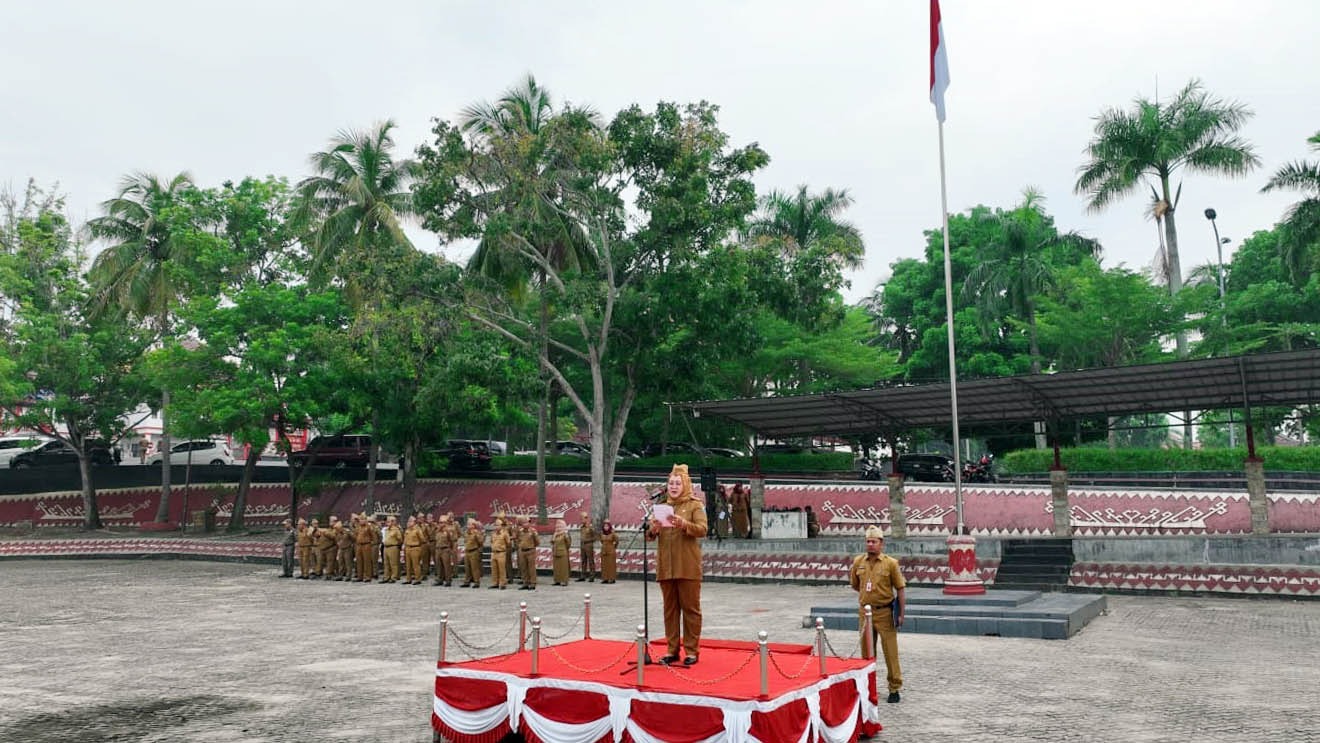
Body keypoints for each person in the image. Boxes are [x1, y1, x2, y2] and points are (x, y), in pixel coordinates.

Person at [648, 463, 708, 666]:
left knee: (691, 610)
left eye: (677, 483)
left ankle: (691, 651)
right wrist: (653, 529)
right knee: (670, 610)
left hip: (688, 566)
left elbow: (702, 529)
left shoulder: (694, 505)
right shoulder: (662, 505)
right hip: (666, 566)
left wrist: (684, 524)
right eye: (671, 483)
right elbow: (649, 535)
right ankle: (671, 650)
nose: (673, 486)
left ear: (686, 484)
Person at [850, 525, 906, 703]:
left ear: (881, 543)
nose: (870, 544)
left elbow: (900, 589)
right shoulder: (858, 561)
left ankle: (894, 688)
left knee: (890, 652)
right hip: (865, 612)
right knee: (867, 652)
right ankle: (868, 686)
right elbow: (854, 584)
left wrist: (901, 614)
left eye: (874, 541)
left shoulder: (891, 563)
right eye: (868, 541)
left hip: (885, 612)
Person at [516, 515, 539, 590]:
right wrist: (520, 546)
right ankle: (525, 583)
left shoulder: (533, 531)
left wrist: (532, 547)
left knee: (531, 568)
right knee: (524, 568)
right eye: (523, 523)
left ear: (529, 523)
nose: (525, 524)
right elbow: (518, 539)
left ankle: (533, 583)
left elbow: (537, 542)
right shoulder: (520, 531)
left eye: (526, 522)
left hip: (530, 551)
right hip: (522, 551)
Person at [489, 515, 511, 589]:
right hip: (494, 553)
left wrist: (503, 549)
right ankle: (495, 583)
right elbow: (491, 542)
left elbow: (508, 543)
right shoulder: (493, 533)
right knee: (494, 569)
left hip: (501, 552)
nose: (496, 527)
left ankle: (502, 583)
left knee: (502, 569)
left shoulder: (505, 533)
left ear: (501, 526)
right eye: (495, 525)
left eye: (498, 525)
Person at [403, 516, 426, 585]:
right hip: (408, 548)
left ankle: (417, 578)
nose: (409, 522)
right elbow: (405, 539)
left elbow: (422, 539)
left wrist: (417, 544)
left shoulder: (417, 530)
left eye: (411, 521)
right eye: (408, 521)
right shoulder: (407, 530)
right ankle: (408, 579)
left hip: (415, 548)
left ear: (414, 522)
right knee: (408, 565)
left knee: (416, 564)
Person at [462, 519, 484, 588]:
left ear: (473, 525)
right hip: (467, 551)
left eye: (469, 524)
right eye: (467, 524)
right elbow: (465, 541)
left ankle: (476, 582)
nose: (468, 526)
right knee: (467, 568)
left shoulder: (476, 532)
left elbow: (480, 542)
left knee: (475, 568)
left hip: (474, 551)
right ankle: (467, 581)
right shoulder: (466, 532)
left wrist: (476, 534)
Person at [380, 516, 403, 583]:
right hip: (385, 547)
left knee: (393, 563)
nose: (387, 523)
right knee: (386, 563)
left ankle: (394, 577)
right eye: (387, 521)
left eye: (389, 521)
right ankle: (386, 577)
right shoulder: (386, 529)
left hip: (393, 547)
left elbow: (400, 539)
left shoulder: (396, 530)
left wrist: (396, 544)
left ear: (392, 522)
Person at [433, 514, 454, 586]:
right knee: (439, 566)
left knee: (446, 566)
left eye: (442, 522)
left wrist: (450, 549)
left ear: (446, 523)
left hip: (445, 549)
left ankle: (448, 580)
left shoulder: (449, 530)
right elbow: (435, 539)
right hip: (438, 549)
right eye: (440, 522)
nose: (441, 524)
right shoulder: (437, 531)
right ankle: (440, 579)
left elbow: (451, 541)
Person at [354, 513, 376, 582]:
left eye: (363, 519)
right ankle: (360, 576)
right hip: (359, 545)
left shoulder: (369, 527)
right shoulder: (358, 527)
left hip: (366, 545)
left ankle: (367, 576)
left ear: (366, 520)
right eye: (360, 519)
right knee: (359, 561)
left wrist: (371, 543)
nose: (361, 521)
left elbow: (373, 536)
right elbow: (355, 535)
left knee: (367, 561)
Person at [576, 511, 597, 582]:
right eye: (581, 518)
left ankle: (592, 576)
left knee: (591, 561)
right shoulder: (581, 528)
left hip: (589, 546)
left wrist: (587, 540)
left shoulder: (590, 527)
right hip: (582, 546)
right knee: (583, 561)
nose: (581, 520)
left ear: (586, 519)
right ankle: (583, 576)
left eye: (583, 518)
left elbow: (595, 538)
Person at [551, 519, 571, 586]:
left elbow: (568, 544)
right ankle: (557, 580)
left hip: (563, 552)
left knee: (563, 568)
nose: (558, 528)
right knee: (556, 568)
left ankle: (564, 581)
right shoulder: (555, 534)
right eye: (557, 526)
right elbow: (552, 542)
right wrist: (554, 536)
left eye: (560, 526)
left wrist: (564, 549)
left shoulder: (565, 534)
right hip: (555, 552)